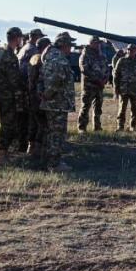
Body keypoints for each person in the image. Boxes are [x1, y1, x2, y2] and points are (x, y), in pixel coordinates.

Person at [40, 32, 76, 171]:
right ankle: (54, 164)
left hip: (51, 103)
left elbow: (41, 78)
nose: (70, 48)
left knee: (50, 132)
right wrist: (47, 95)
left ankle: (47, 160)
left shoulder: (49, 56)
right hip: (57, 103)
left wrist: (43, 95)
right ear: (63, 45)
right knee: (57, 134)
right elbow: (56, 81)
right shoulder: (60, 59)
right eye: (69, 45)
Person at [0, 27, 26, 167]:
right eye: (20, 38)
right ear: (17, 38)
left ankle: (3, 153)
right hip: (9, 95)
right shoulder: (9, 55)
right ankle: (1, 155)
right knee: (8, 125)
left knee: (6, 123)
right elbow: (14, 80)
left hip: (0, 93)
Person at [15, 27, 45, 150]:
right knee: (28, 118)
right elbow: (29, 71)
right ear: (35, 37)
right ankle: (26, 144)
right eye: (40, 36)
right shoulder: (33, 50)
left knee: (23, 117)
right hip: (27, 88)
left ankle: (23, 143)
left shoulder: (24, 48)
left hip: (22, 87)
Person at [24, 36, 51, 164]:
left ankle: (31, 147)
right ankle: (38, 150)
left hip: (31, 95)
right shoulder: (42, 60)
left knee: (33, 123)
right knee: (42, 124)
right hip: (39, 96)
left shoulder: (33, 58)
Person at [113, 44, 136, 131]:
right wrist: (116, 88)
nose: (130, 51)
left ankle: (132, 126)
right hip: (123, 89)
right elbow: (116, 75)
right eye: (129, 50)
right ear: (127, 50)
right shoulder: (121, 61)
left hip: (135, 90)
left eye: (132, 50)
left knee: (134, 109)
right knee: (122, 109)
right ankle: (120, 126)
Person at [77, 36, 107, 132]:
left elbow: (106, 68)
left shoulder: (101, 56)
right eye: (95, 43)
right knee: (85, 107)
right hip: (89, 86)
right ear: (90, 44)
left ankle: (97, 127)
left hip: (99, 86)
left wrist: (105, 79)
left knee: (98, 108)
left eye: (98, 43)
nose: (97, 45)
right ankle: (82, 128)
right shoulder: (85, 55)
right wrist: (97, 80)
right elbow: (84, 70)